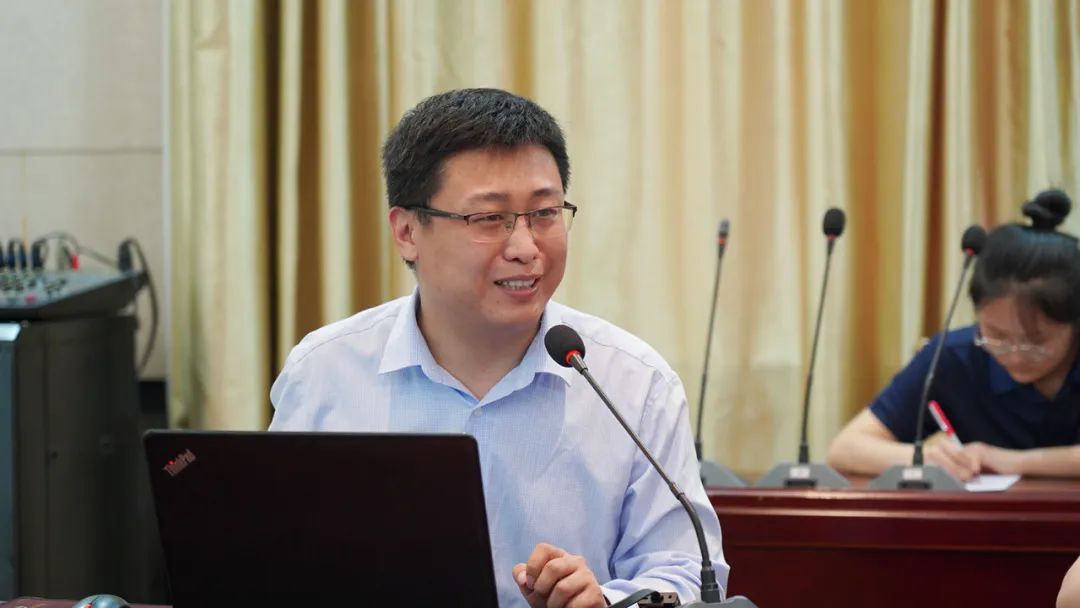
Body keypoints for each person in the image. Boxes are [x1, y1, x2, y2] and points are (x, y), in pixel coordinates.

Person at [268, 88, 727, 607]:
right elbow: (273, 559)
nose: (526, 248)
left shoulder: (633, 384)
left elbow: (688, 574)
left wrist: (604, 601)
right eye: (489, 219)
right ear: (407, 231)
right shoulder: (325, 373)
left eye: (545, 213)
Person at [827, 190, 1080, 481]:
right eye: (996, 335)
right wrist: (923, 459)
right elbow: (845, 449)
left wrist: (1013, 461)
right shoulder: (953, 357)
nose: (1015, 355)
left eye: (1037, 342)